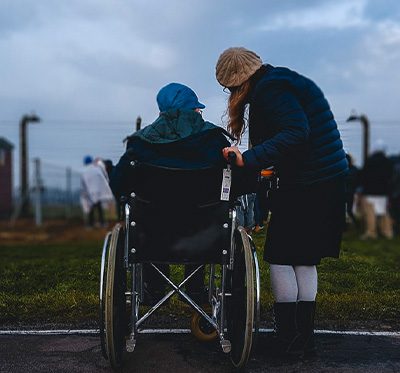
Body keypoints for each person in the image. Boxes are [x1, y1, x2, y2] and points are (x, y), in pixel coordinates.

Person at [215, 47, 348, 357]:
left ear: (240, 82)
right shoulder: (282, 81)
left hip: (308, 183)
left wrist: (247, 159)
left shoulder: (270, 91)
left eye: (231, 88)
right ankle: (303, 339)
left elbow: (295, 131)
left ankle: (287, 337)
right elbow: (298, 136)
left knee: (280, 256)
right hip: (325, 180)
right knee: (303, 258)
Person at [110, 83, 237, 305]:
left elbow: (118, 183)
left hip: (151, 235)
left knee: (149, 218)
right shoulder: (215, 140)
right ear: (195, 110)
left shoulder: (140, 143)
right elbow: (237, 183)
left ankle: (156, 287)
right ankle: (195, 288)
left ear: (161, 111)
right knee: (201, 218)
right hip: (204, 234)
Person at [358, 140, 393, 239]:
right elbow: (390, 176)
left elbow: (364, 176)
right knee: (383, 212)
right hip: (383, 192)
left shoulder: (370, 161)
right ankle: (387, 232)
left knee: (370, 213)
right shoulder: (387, 162)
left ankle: (371, 232)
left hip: (370, 191)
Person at [80, 155, 114, 228]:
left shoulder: (84, 171)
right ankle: (102, 223)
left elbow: (83, 184)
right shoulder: (97, 169)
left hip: (90, 193)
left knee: (91, 209)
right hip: (98, 192)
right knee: (99, 208)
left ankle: (90, 224)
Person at [345, 153, 360, 227]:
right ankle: (356, 225)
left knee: (340, 210)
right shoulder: (355, 169)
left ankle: (345, 226)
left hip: (342, 192)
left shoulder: (342, 170)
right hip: (351, 192)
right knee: (350, 210)